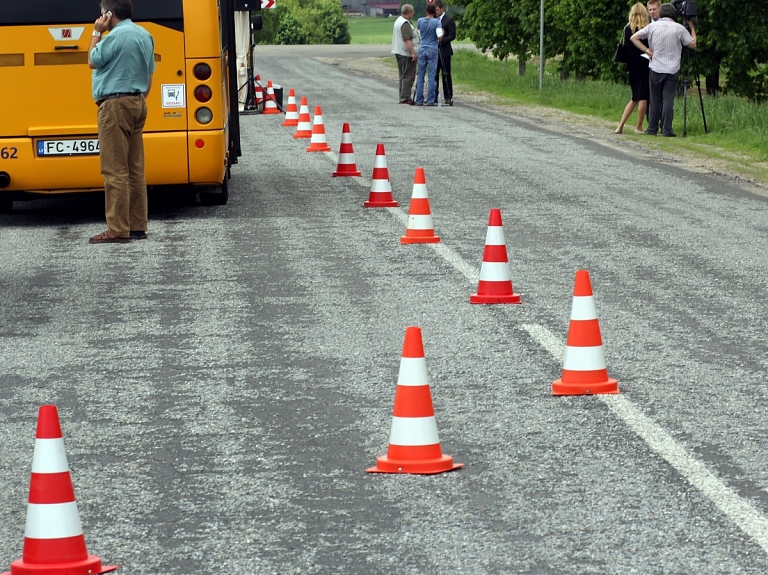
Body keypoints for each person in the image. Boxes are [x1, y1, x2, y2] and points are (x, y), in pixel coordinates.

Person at [87, 0, 155, 243]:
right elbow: (149, 76)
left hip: (114, 105)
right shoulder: (145, 35)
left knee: (115, 169)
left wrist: (97, 31)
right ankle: (138, 226)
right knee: (135, 169)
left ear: (108, 14)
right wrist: (138, 99)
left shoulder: (113, 37)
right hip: (138, 103)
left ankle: (117, 228)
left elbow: (93, 60)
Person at [631, 2, 696, 137]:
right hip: (672, 69)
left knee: (655, 100)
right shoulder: (679, 28)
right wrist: (692, 28)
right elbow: (692, 44)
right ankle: (667, 129)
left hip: (655, 67)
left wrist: (647, 50)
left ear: (661, 12)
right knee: (668, 100)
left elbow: (634, 37)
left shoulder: (653, 26)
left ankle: (652, 128)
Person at [615, 3, 650, 134]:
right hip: (644, 64)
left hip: (632, 65)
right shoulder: (645, 29)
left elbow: (628, 49)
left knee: (635, 97)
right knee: (643, 97)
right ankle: (639, 127)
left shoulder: (627, 29)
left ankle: (620, 125)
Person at [415, 3, 442, 106]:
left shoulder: (420, 21)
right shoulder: (437, 22)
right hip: (432, 48)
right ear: (434, 11)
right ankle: (430, 99)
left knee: (421, 74)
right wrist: (442, 33)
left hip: (422, 47)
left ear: (426, 11)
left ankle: (419, 99)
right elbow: (439, 36)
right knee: (431, 75)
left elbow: (418, 33)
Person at [392, 4, 418, 105]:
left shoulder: (398, 20)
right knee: (408, 75)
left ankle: (402, 96)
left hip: (398, 50)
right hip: (405, 52)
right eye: (412, 12)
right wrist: (413, 53)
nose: (413, 14)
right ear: (409, 12)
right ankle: (405, 97)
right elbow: (407, 39)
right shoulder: (405, 23)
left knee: (402, 75)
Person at [434, 0, 456, 106]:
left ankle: (448, 96)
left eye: (437, 9)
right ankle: (433, 96)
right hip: (435, 51)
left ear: (442, 8)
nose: (436, 11)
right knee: (435, 75)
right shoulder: (434, 20)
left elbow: (452, 35)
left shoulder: (449, 20)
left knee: (446, 74)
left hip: (445, 50)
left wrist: (442, 41)